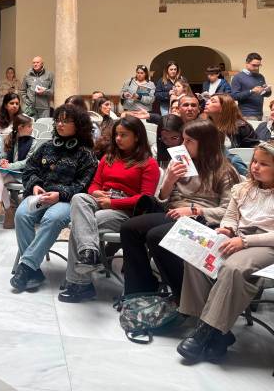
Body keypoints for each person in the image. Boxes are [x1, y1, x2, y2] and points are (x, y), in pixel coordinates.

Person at [119, 120, 240, 302]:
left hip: (203, 220)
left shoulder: (225, 171)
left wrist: (194, 210)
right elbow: (162, 199)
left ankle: (184, 297)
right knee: (129, 227)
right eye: (183, 140)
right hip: (173, 213)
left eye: (189, 141)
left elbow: (228, 211)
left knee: (156, 235)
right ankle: (140, 290)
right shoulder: (181, 163)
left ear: (205, 143)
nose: (182, 145)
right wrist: (169, 180)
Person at [177, 141, 274, 362]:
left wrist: (244, 240)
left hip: (267, 244)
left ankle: (205, 332)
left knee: (233, 268)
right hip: (240, 238)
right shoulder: (242, 188)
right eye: (254, 162)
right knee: (196, 257)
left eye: (264, 164)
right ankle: (220, 335)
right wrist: (227, 228)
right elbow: (231, 215)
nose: (255, 167)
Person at [58, 116, 160, 302]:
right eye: (116, 135)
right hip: (101, 200)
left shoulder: (148, 163)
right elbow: (94, 184)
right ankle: (89, 253)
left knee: (83, 225)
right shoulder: (108, 157)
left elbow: (145, 199)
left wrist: (112, 202)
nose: (118, 139)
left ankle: (79, 284)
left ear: (137, 137)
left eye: (123, 135)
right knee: (79, 198)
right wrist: (97, 194)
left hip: (126, 211)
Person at [10, 104, 98, 292]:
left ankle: (26, 267)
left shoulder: (86, 154)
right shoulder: (47, 146)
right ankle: (33, 271)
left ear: (79, 125)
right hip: (42, 195)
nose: (60, 124)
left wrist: (61, 195)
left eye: (66, 121)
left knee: (53, 218)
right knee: (22, 214)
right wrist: (34, 184)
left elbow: (84, 186)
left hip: (67, 201)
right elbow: (30, 169)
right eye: (58, 120)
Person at [0, 114, 39, 226]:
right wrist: (3, 162)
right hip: (13, 173)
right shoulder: (10, 139)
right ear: (21, 128)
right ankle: (1, 206)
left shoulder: (33, 142)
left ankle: (7, 209)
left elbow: (27, 162)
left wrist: (9, 166)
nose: (32, 129)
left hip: (25, 175)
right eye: (30, 126)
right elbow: (5, 156)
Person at [231, 52, 272, 121]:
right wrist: (251, 91)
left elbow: (266, 94)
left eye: (259, 65)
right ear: (247, 63)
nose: (256, 68)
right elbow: (234, 96)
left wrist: (268, 91)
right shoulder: (238, 77)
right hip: (245, 115)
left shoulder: (260, 76)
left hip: (260, 113)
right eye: (254, 65)